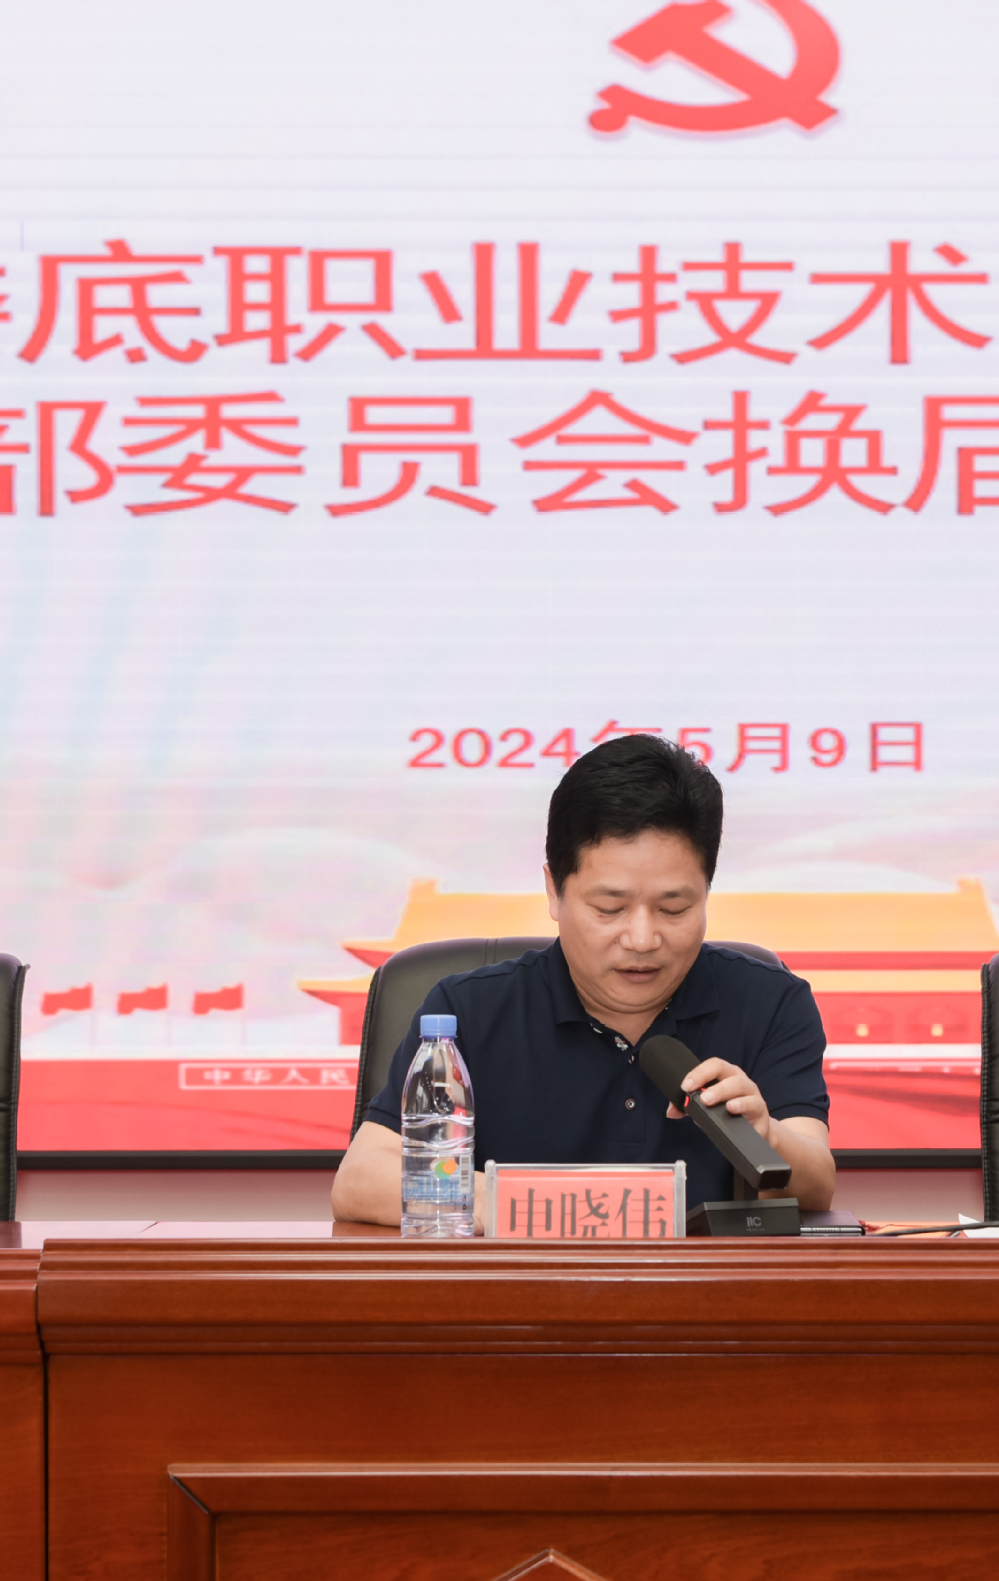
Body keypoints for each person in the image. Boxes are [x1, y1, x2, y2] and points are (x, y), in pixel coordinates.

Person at [332, 735, 835, 1229]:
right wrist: (519, 1201)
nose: (642, 939)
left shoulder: (770, 1002)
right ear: (554, 890)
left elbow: (816, 1185)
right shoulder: (468, 1011)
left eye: (674, 908)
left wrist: (766, 1135)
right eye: (609, 908)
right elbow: (361, 1178)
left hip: (704, 1284)